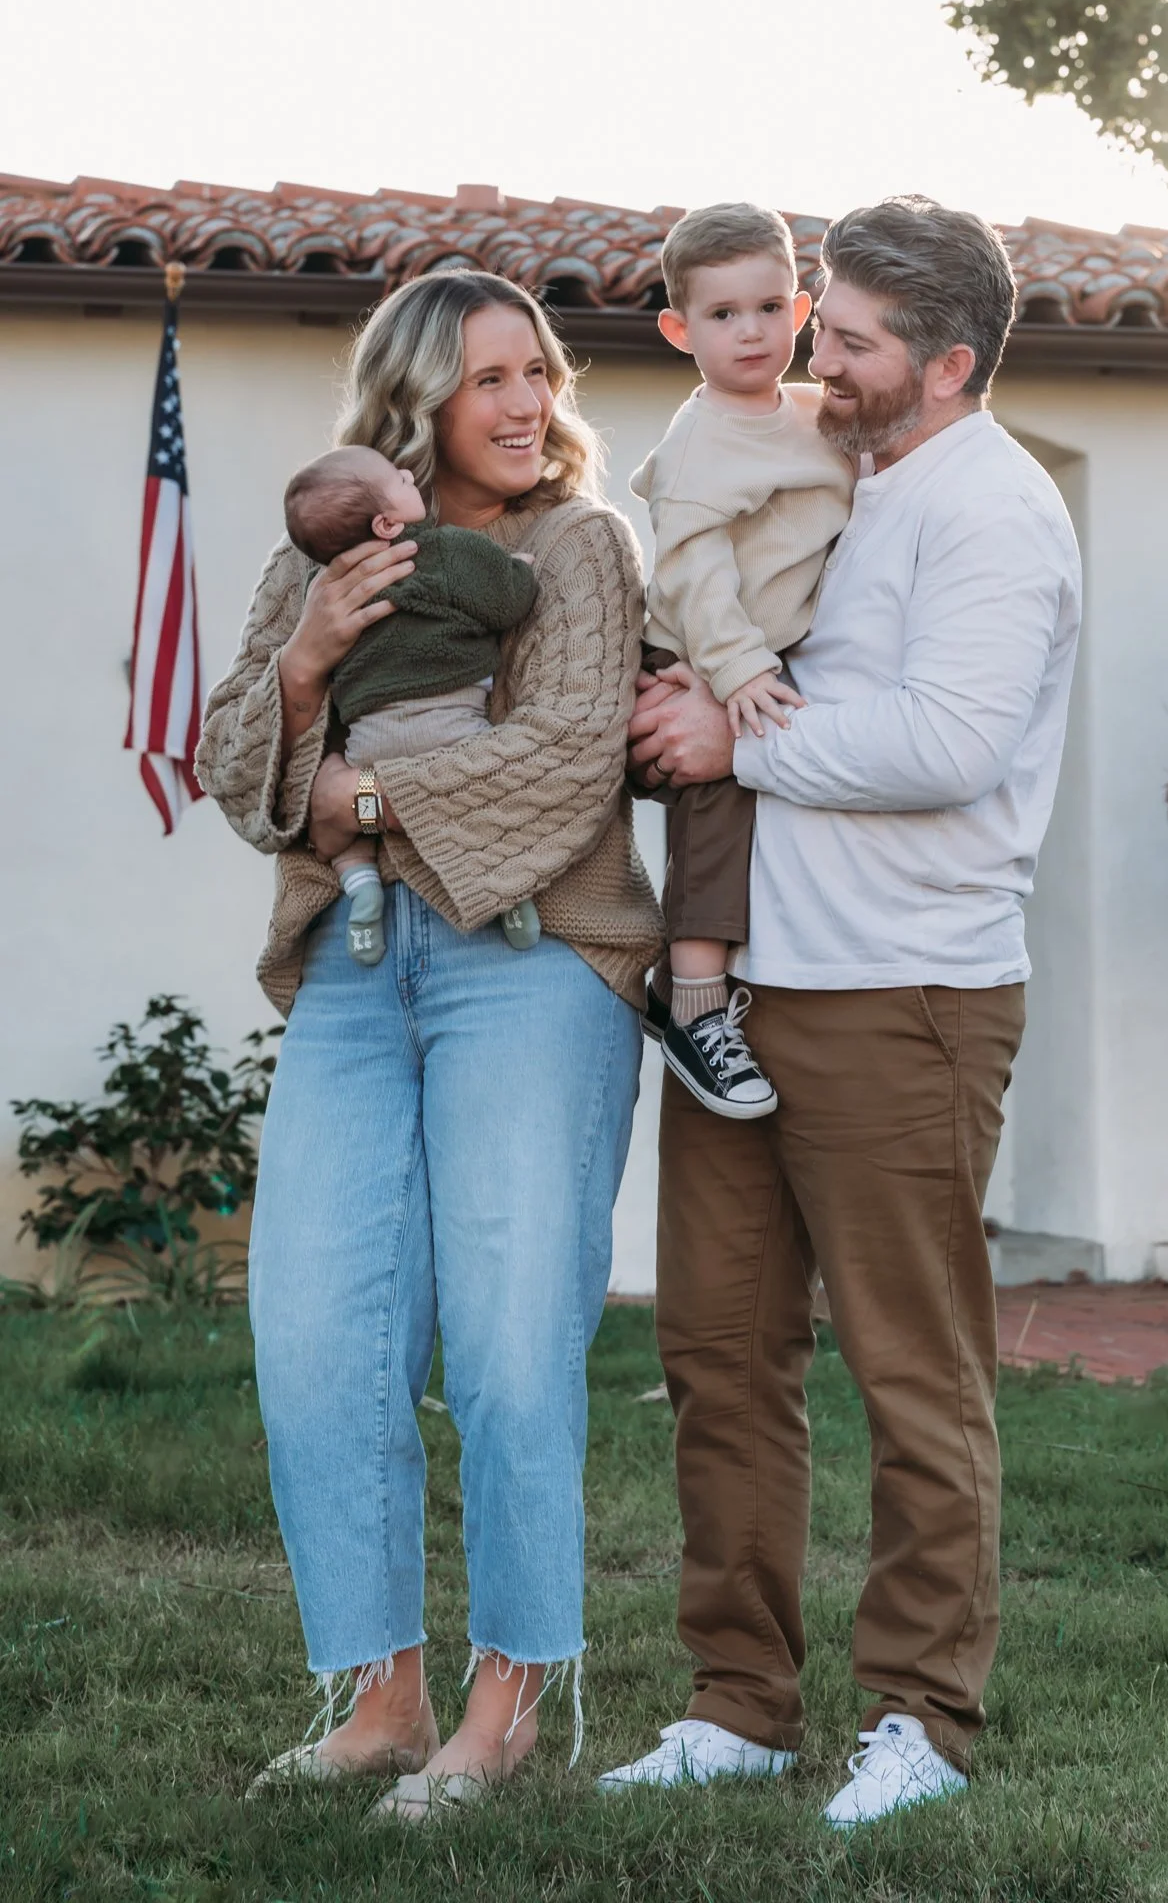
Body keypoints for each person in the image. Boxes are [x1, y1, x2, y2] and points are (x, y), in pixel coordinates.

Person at [607, 197, 1082, 1826]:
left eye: (855, 339)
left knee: (910, 1372)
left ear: (947, 365)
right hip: (745, 998)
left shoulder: (993, 512)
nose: (818, 352)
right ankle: (738, 1702)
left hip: (909, 1002)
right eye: (823, 323)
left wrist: (735, 745)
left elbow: (942, 745)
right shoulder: (838, 475)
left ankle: (920, 1722)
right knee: (721, 1356)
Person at [196, 269, 663, 1819]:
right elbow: (231, 757)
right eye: (490, 382)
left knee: (515, 1340)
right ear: (415, 404)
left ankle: (510, 1698)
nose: (530, 404)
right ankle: (381, 1696)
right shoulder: (317, 559)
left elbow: (571, 758)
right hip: (349, 968)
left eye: (538, 373)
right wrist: (309, 667)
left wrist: (363, 802)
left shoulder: (582, 544)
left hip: (530, 967)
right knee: (319, 1333)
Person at [631, 202, 853, 1118]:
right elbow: (690, 567)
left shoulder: (808, 419)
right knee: (718, 795)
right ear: (680, 331)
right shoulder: (698, 444)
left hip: (761, 651)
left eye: (768, 308)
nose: (750, 331)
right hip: (697, 650)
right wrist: (734, 673)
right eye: (722, 316)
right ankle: (691, 1003)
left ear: (802, 311)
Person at [281, 442, 539, 965]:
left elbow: (331, 803)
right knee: (482, 798)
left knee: (347, 832)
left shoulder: (322, 589)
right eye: (397, 482)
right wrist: (517, 568)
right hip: (448, 723)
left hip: (367, 739)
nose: (407, 473)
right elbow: (511, 598)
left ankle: (361, 885)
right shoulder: (442, 550)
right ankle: (510, 892)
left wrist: (355, 797)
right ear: (386, 526)